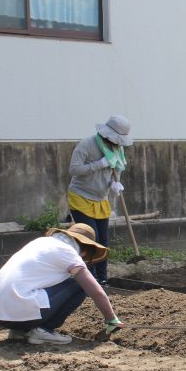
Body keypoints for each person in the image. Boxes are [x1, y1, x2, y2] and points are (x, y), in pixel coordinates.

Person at [0, 223, 124, 344]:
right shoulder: (68, 253)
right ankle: (44, 330)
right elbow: (95, 291)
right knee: (79, 285)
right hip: (20, 312)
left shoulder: (40, 242)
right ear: (85, 252)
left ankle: (19, 331)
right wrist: (111, 319)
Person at [68, 115, 133, 285]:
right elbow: (74, 169)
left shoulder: (117, 150)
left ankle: (103, 278)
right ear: (107, 135)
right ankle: (89, 279)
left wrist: (114, 184)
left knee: (103, 241)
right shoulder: (87, 145)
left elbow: (116, 171)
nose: (117, 144)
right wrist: (99, 164)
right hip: (81, 197)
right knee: (91, 239)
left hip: (101, 199)